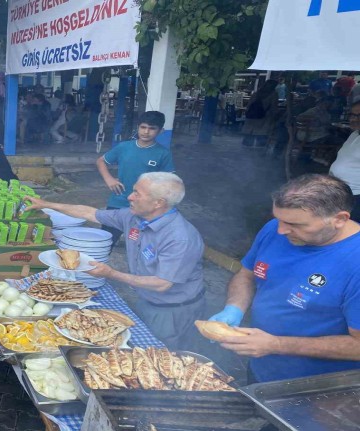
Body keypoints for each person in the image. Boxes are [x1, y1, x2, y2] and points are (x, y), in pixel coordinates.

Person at [25, 172, 205, 350]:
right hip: (146, 299)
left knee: (162, 354)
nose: (130, 197)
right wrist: (47, 204)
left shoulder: (180, 238)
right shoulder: (134, 217)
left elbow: (162, 284)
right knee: (139, 344)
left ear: (159, 203)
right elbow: (90, 213)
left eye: (137, 194)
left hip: (173, 309)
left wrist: (110, 273)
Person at [208, 175, 360, 383]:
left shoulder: (354, 262)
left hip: (315, 389)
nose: (281, 230)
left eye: (295, 224)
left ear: (339, 219)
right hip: (262, 367)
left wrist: (277, 344)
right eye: (279, 219)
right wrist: (234, 307)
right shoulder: (275, 230)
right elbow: (246, 275)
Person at [95, 111, 175, 242]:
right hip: (118, 201)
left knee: (138, 242)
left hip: (144, 206)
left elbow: (168, 181)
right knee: (105, 240)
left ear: (161, 131)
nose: (146, 132)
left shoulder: (163, 154)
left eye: (152, 128)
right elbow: (101, 161)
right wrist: (109, 179)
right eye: (143, 127)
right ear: (137, 127)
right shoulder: (124, 147)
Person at [329, 100, 360, 221]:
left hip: (355, 197)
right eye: (353, 115)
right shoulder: (355, 134)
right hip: (340, 192)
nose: (355, 119)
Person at [242, 79, 280, 147]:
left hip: (251, 118)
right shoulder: (274, 94)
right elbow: (274, 108)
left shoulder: (256, 93)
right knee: (260, 142)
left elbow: (248, 105)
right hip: (264, 119)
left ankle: (245, 155)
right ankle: (257, 155)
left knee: (247, 143)